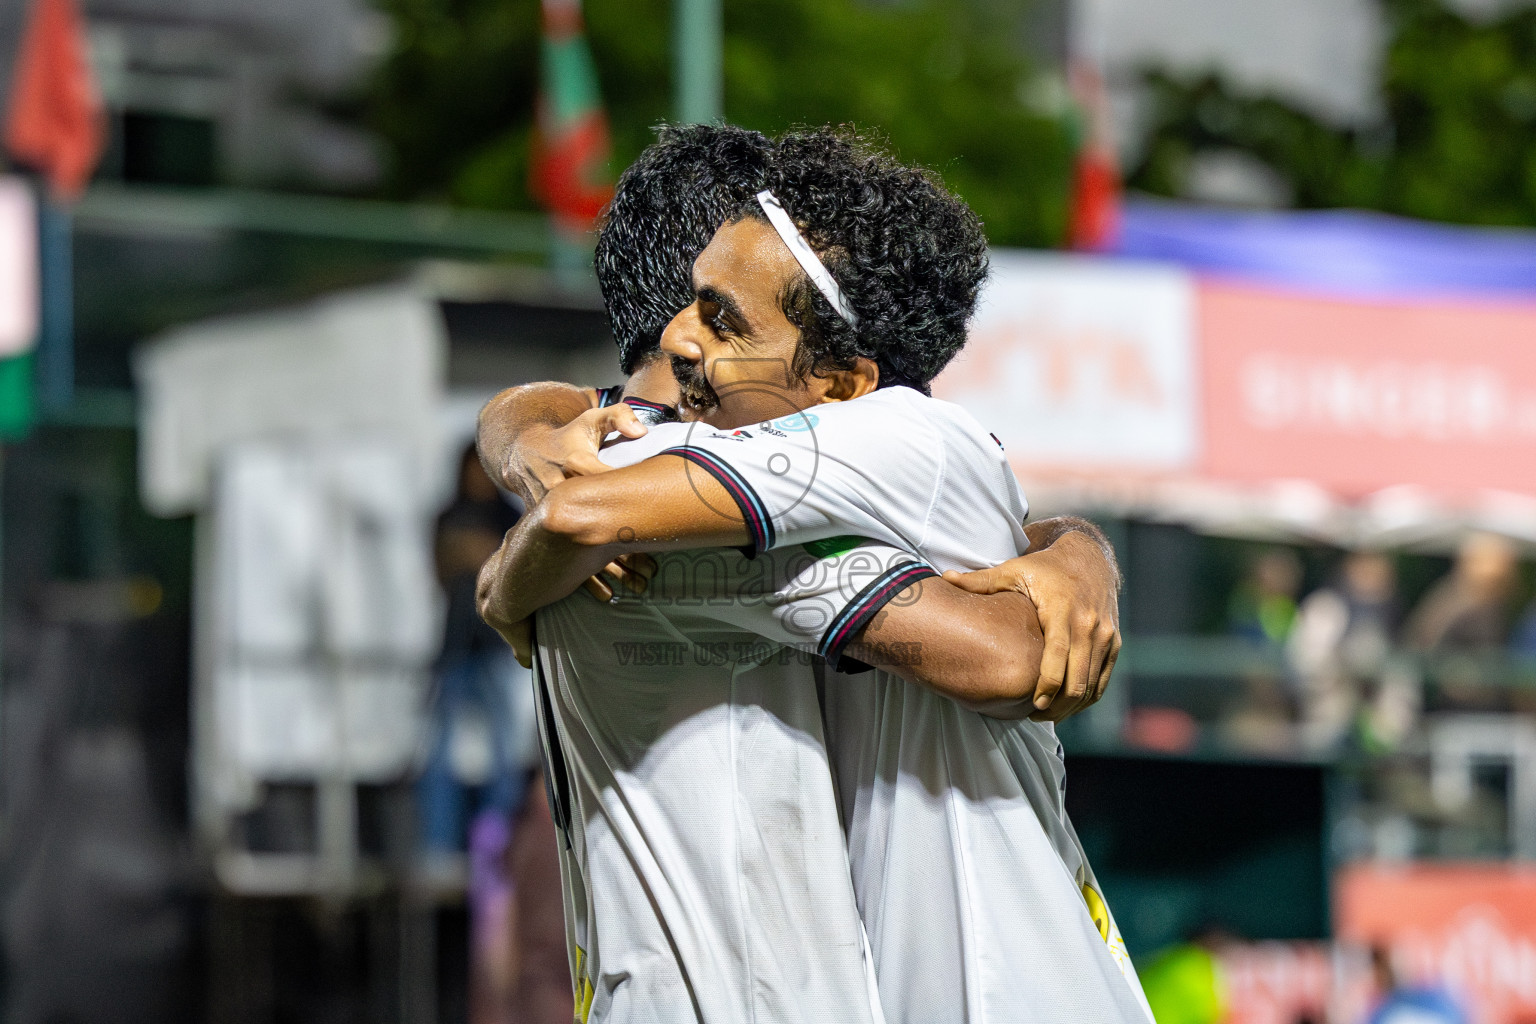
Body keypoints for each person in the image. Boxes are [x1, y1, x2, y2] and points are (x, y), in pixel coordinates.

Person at [479, 127, 1148, 1022]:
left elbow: (561, 473)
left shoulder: (636, 466)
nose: (692, 332)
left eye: (722, 314)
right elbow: (1010, 657)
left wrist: (1076, 550)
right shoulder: (678, 486)